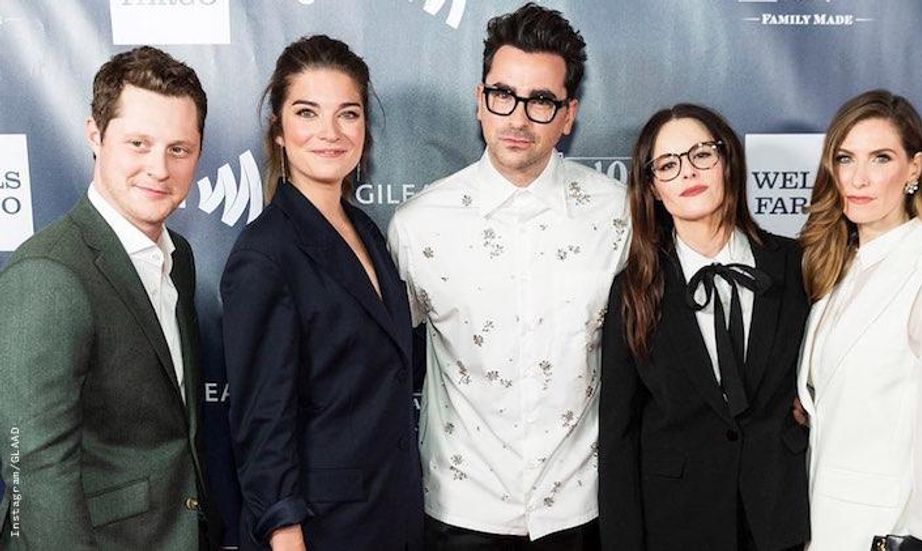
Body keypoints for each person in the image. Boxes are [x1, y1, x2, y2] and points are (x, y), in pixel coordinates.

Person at [387, 3, 628, 549]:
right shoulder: (419, 225)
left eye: (541, 101)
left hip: (581, 513)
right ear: (480, 102)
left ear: (569, 115)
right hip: (458, 512)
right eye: (503, 95)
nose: (518, 119)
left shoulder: (620, 215)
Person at [0, 46, 219, 550]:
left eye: (179, 149)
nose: (159, 169)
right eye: (138, 143)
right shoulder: (48, 274)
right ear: (95, 136)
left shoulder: (177, 256)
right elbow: (33, 472)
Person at [221, 35, 423, 551]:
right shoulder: (264, 255)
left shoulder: (367, 229)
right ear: (279, 131)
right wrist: (284, 532)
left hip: (388, 514)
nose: (330, 133)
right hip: (319, 529)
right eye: (307, 113)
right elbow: (261, 421)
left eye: (347, 114)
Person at [598, 104, 810, 551]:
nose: (688, 173)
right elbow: (618, 436)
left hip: (783, 519)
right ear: (653, 187)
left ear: (727, 160)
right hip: (677, 525)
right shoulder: (634, 290)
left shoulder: (797, 266)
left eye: (701, 155)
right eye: (668, 165)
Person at [797, 89, 922, 550]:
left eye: (880, 158)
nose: (858, 178)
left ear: (914, 168)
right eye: (845, 158)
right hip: (826, 525)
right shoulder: (839, 270)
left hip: (889, 533)